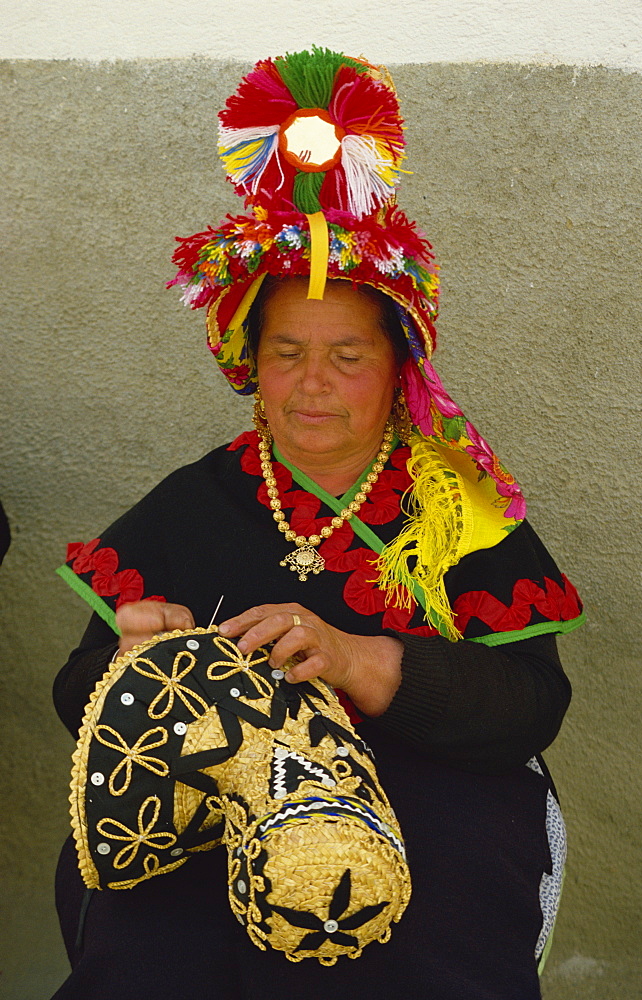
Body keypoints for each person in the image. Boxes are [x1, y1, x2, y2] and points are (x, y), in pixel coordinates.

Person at [52, 48, 584, 1000]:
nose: (313, 382)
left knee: (438, 948)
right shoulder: (191, 503)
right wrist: (136, 671)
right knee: (148, 955)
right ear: (250, 365)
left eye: (347, 354)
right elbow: (78, 697)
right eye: (287, 351)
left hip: (441, 797)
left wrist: (359, 662)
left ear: (397, 370)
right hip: (224, 798)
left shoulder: (454, 510)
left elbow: (530, 704)